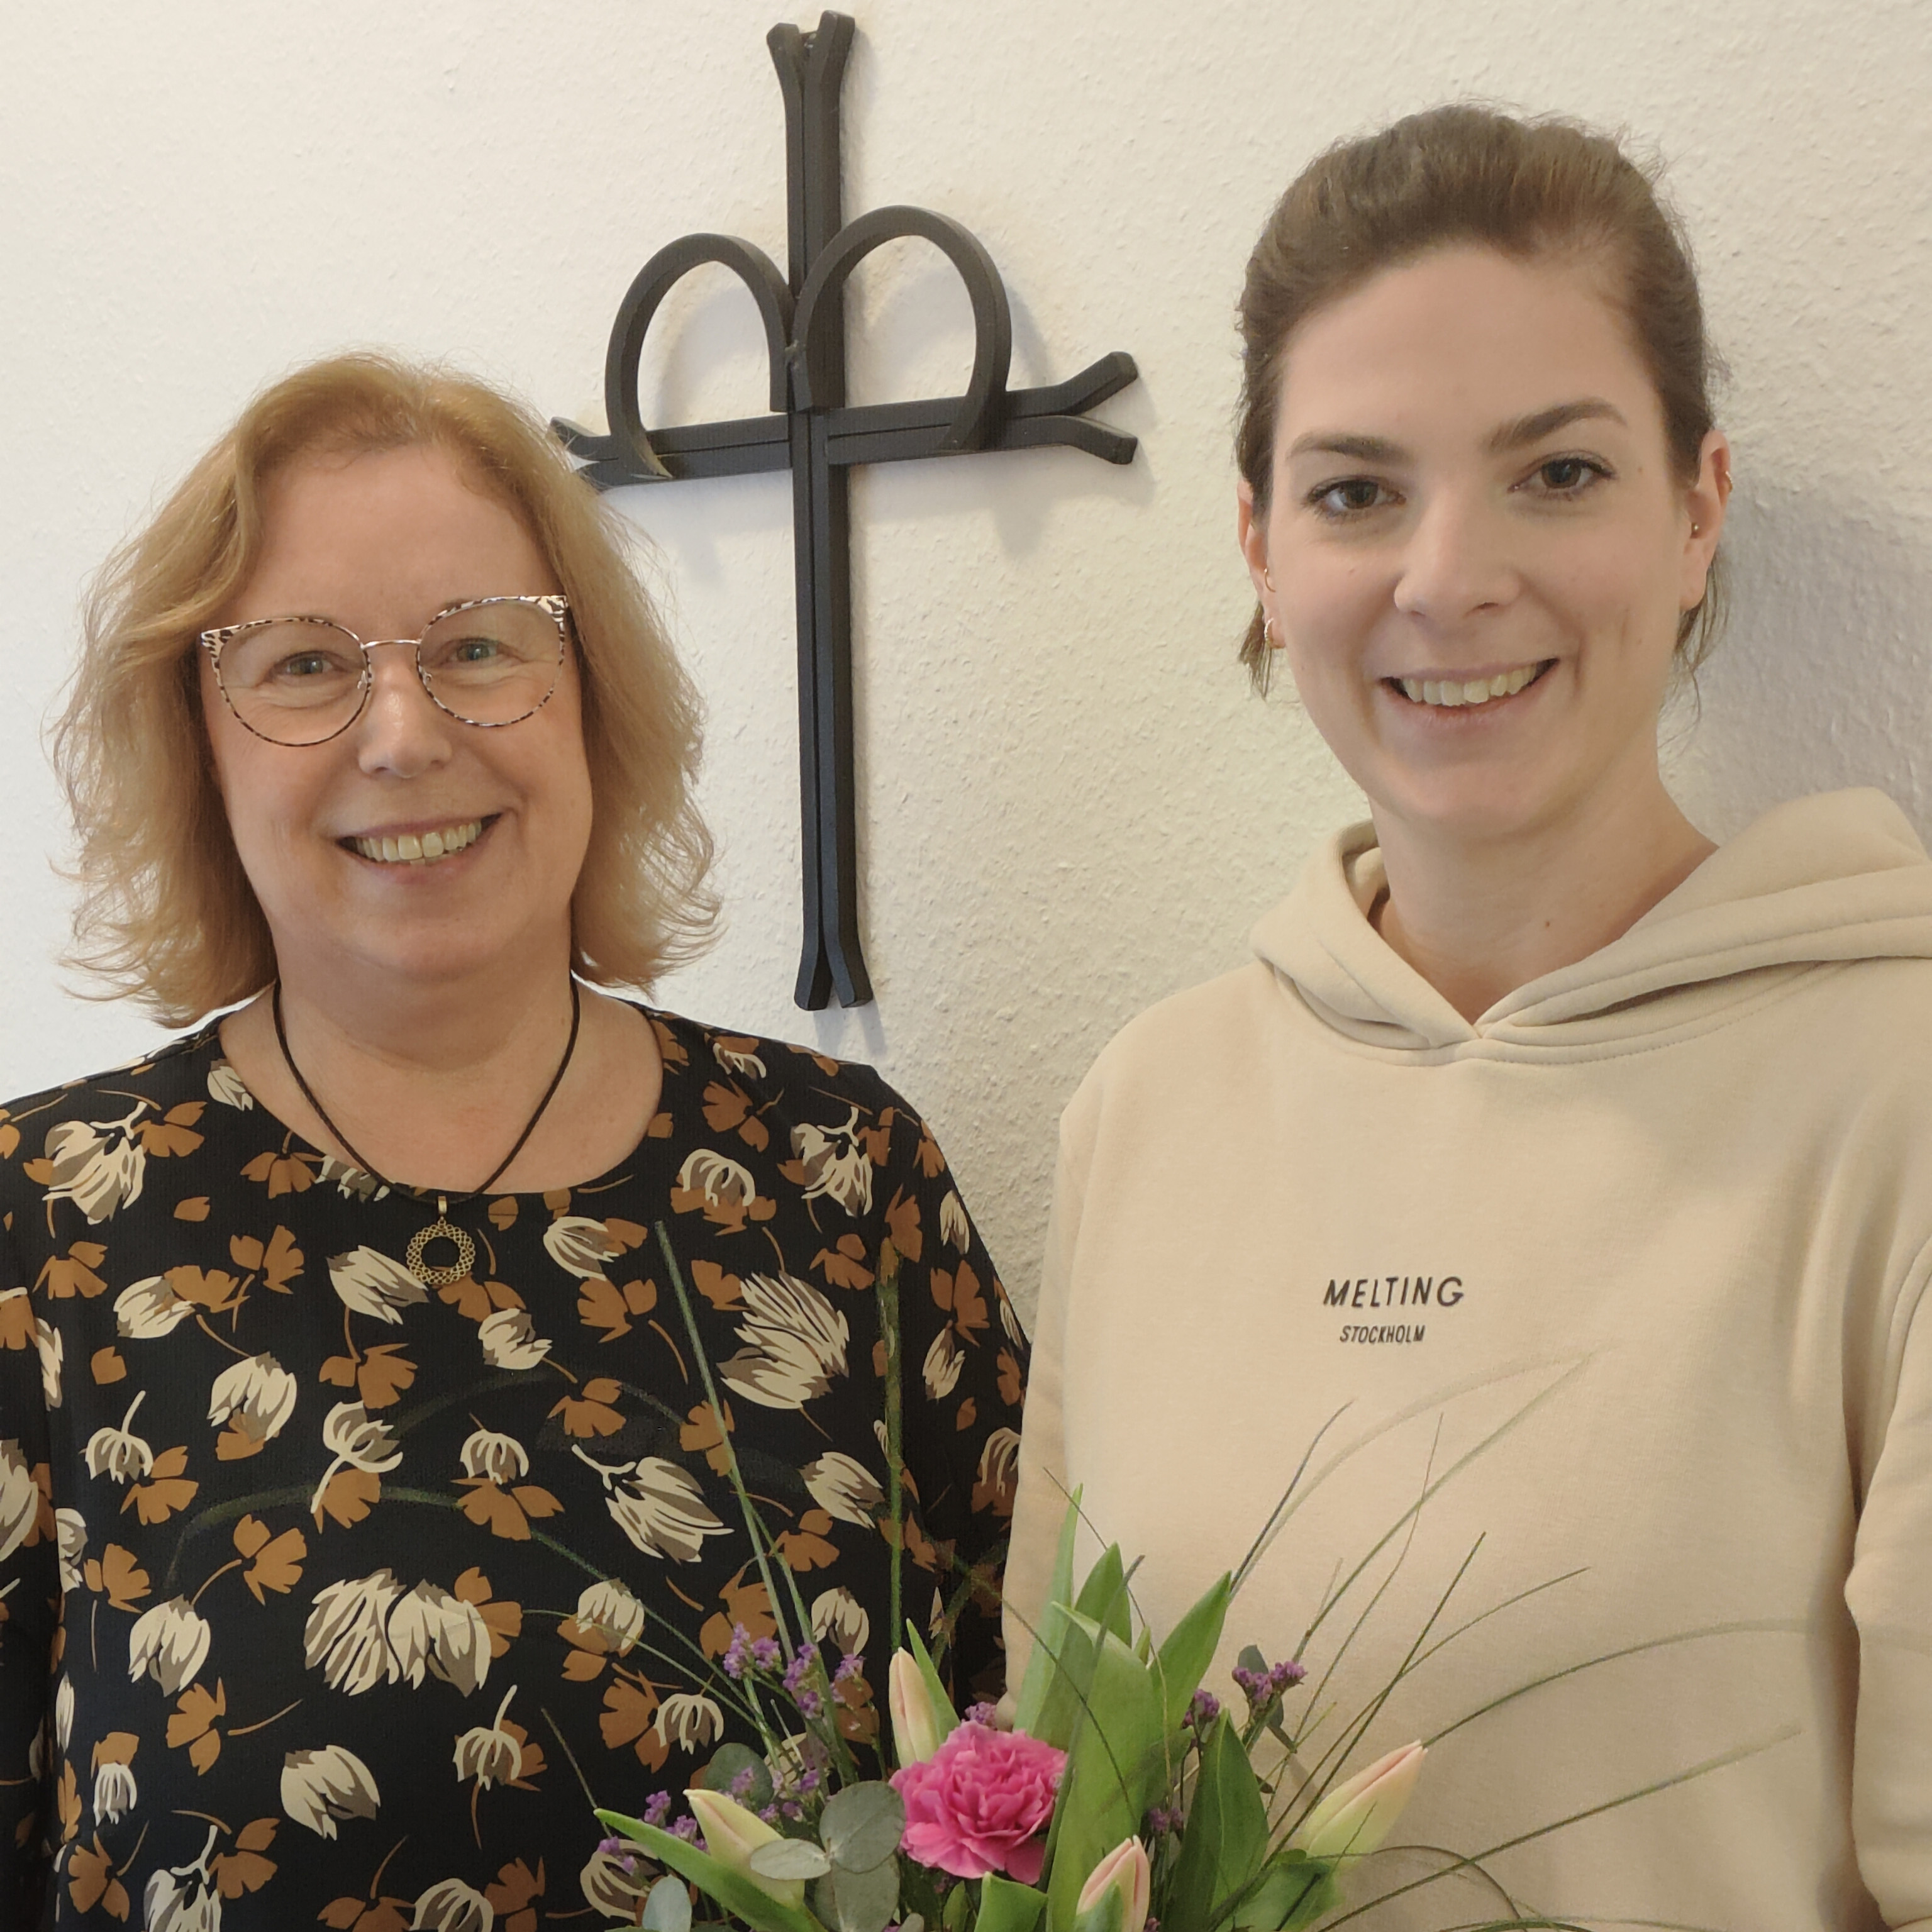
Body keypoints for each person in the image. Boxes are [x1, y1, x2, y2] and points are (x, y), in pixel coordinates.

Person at [1007, 108, 1932, 1929]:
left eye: (1557, 473)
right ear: (1261, 548)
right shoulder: (1153, 1105)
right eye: (1358, 492)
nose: (1447, 577)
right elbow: (1049, 1825)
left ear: (1696, 510)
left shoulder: (1894, 1091)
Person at [0, 353, 1027, 1928]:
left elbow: (1034, 1789)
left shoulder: (843, 1177)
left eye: (478, 645)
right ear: (199, 742)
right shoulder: (43, 1225)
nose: (403, 733)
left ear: (590, 698)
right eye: (302, 666)